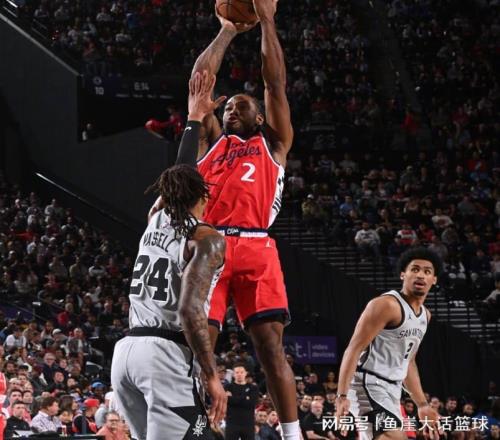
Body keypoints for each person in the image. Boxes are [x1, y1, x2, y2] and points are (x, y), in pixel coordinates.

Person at [191, 1, 299, 437]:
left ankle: (292, 433)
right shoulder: (211, 141)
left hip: (256, 245)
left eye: (241, 106)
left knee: (271, 347)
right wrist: (227, 31)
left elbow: (275, 83)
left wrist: (267, 20)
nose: (231, 110)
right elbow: (200, 84)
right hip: (211, 245)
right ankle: (197, 428)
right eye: (228, 107)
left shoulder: (273, 143)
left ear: (259, 116)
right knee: (199, 347)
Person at [111, 72, 227, 440]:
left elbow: (181, 172)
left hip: (126, 353)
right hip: (164, 356)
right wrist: (211, 375)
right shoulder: (206, 239)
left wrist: (194, 119)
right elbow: (190, 311)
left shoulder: (156, 216)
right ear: (203, 196)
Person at [335, 247, 443, 440]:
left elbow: (408, 362)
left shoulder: (425, 316)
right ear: (403, 274)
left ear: (434, 279)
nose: (420, 275)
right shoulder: (386, 304)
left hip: (392, 390)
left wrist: (422, 405)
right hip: (366, 383)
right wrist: (341, 396)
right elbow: (354, 349)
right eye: (415, 269)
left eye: (427, 272)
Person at [225, 363, 259, 440]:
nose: (239, 374)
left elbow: (252, 403)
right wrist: (245, 397)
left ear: (246, 373)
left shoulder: (253, 388)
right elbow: (228, 401)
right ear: (233, 374)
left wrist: (233, 398)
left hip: (248, 424)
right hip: (232, 423)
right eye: (237, 372)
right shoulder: (228, 387)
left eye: (241, 372)